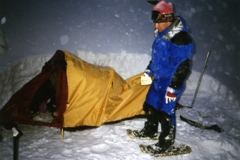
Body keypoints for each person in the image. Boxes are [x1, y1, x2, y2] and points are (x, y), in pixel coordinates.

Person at [134, 0, 194, 153]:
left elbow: (183, 66)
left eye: (157, 22)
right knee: (152, 104)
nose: (155, 26)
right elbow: (157, 59)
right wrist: (149, 71)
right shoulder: (162, 35)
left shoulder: (180, 38)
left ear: (166, 19)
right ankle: (150, 130)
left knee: (166, 112)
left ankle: (166, 144)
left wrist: (173, 88)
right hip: (159, 79)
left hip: (170, 82)